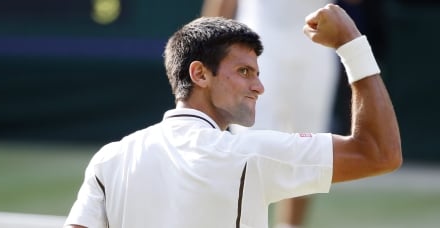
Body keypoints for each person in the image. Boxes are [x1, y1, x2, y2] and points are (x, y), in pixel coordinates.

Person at [65, 4, 401, 228]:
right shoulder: (249, 156)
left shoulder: (109, 159)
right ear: (199, 74)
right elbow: (378, 153)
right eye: (244, 71)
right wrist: (352, 44)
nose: (258, 86)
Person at [201, 1, 361, 227]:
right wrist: (206, 45)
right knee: (251, 148)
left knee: (309, 150)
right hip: (258, 37)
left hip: (316, 43)